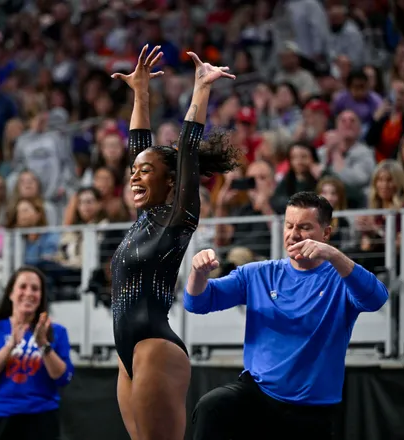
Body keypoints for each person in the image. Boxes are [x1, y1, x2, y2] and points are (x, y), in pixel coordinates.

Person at [110, 44, 240, 440]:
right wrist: (141, 93)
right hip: (128, 355)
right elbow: (139, 144)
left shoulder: (176, 220)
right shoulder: (144, 219)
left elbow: (185, 152)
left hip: (155, 348)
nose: (134, 176)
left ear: (171, 182)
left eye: (145, 172)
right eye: (133, 171)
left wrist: (201, 89)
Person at [185, 191, 389, 440]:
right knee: (213, 406)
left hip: (311, 410)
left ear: (326, 233)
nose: (293, 235)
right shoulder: (259, 274)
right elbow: (197, 302)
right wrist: (198, 272)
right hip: (258, 395)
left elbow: (377, 299)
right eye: (289, 226)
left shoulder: (341, 278)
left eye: (304, 227)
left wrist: (334, 255)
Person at [0, 266, 73, 440]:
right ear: (11, 294)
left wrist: (43, 344)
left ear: (41, 296)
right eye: (23, 286)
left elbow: (64, 378)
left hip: (42, 418)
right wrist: (9, 346)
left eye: (35, 288)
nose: (28, 293)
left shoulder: (56, 332)